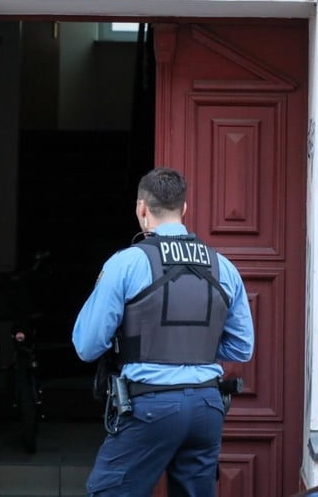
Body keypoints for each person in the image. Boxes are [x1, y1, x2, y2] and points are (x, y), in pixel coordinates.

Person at [72, 166, 255, 496]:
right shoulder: (223, 267)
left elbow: (87, 346)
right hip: (207, 406)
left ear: (141, 208)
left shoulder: (126, 264)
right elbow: (242, 347)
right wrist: (193, 346)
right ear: (184, 209)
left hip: (149, 404)